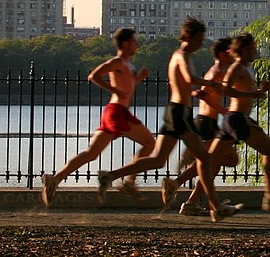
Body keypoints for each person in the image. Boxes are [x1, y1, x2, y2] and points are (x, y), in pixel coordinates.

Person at [97, 17, 239, 222]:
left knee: (157, 159)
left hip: (174, 111)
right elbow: (189, 78)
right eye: (199, 39)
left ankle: (110, 175)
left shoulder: (179, 55)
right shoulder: (182, 55)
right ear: (188, 37)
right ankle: (215, 206)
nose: (201, 43)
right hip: (180, 112)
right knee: (206, 158)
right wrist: (213, 84)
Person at [40, 27, 154, 207]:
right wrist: (113, 89)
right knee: (150, 143)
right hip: (117, 112)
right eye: (134, 41)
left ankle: (54, 180)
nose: (136, 44)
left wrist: (139, 78)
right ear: (125, 44)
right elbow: (94, 76)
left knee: (91, 154)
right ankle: (129, 182)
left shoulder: (128, 64)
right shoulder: (116, 62)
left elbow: (127, 86)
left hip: (118, 112)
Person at [206, 32, 270, 211]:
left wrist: (260, 90)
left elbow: (247, 92)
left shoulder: (246, 67)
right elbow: (226, 90)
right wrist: (252, 93)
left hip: (235, 119)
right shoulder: (237, 66)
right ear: (244, 50)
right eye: (252, 48)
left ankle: (187, 193)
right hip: (238, 119)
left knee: (209, 159)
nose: (255, 51)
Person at [161, 36, 241, 214]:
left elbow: (199, 92)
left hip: (208, 122)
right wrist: (223, 110)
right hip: (206, 123)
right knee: (222, 160)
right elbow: (203, 94)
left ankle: (191, 202)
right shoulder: (217, 72)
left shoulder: (218, 71)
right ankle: (179, 187)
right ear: (222, 54)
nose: (233, 56)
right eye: (230, 52)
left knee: (216, 162)